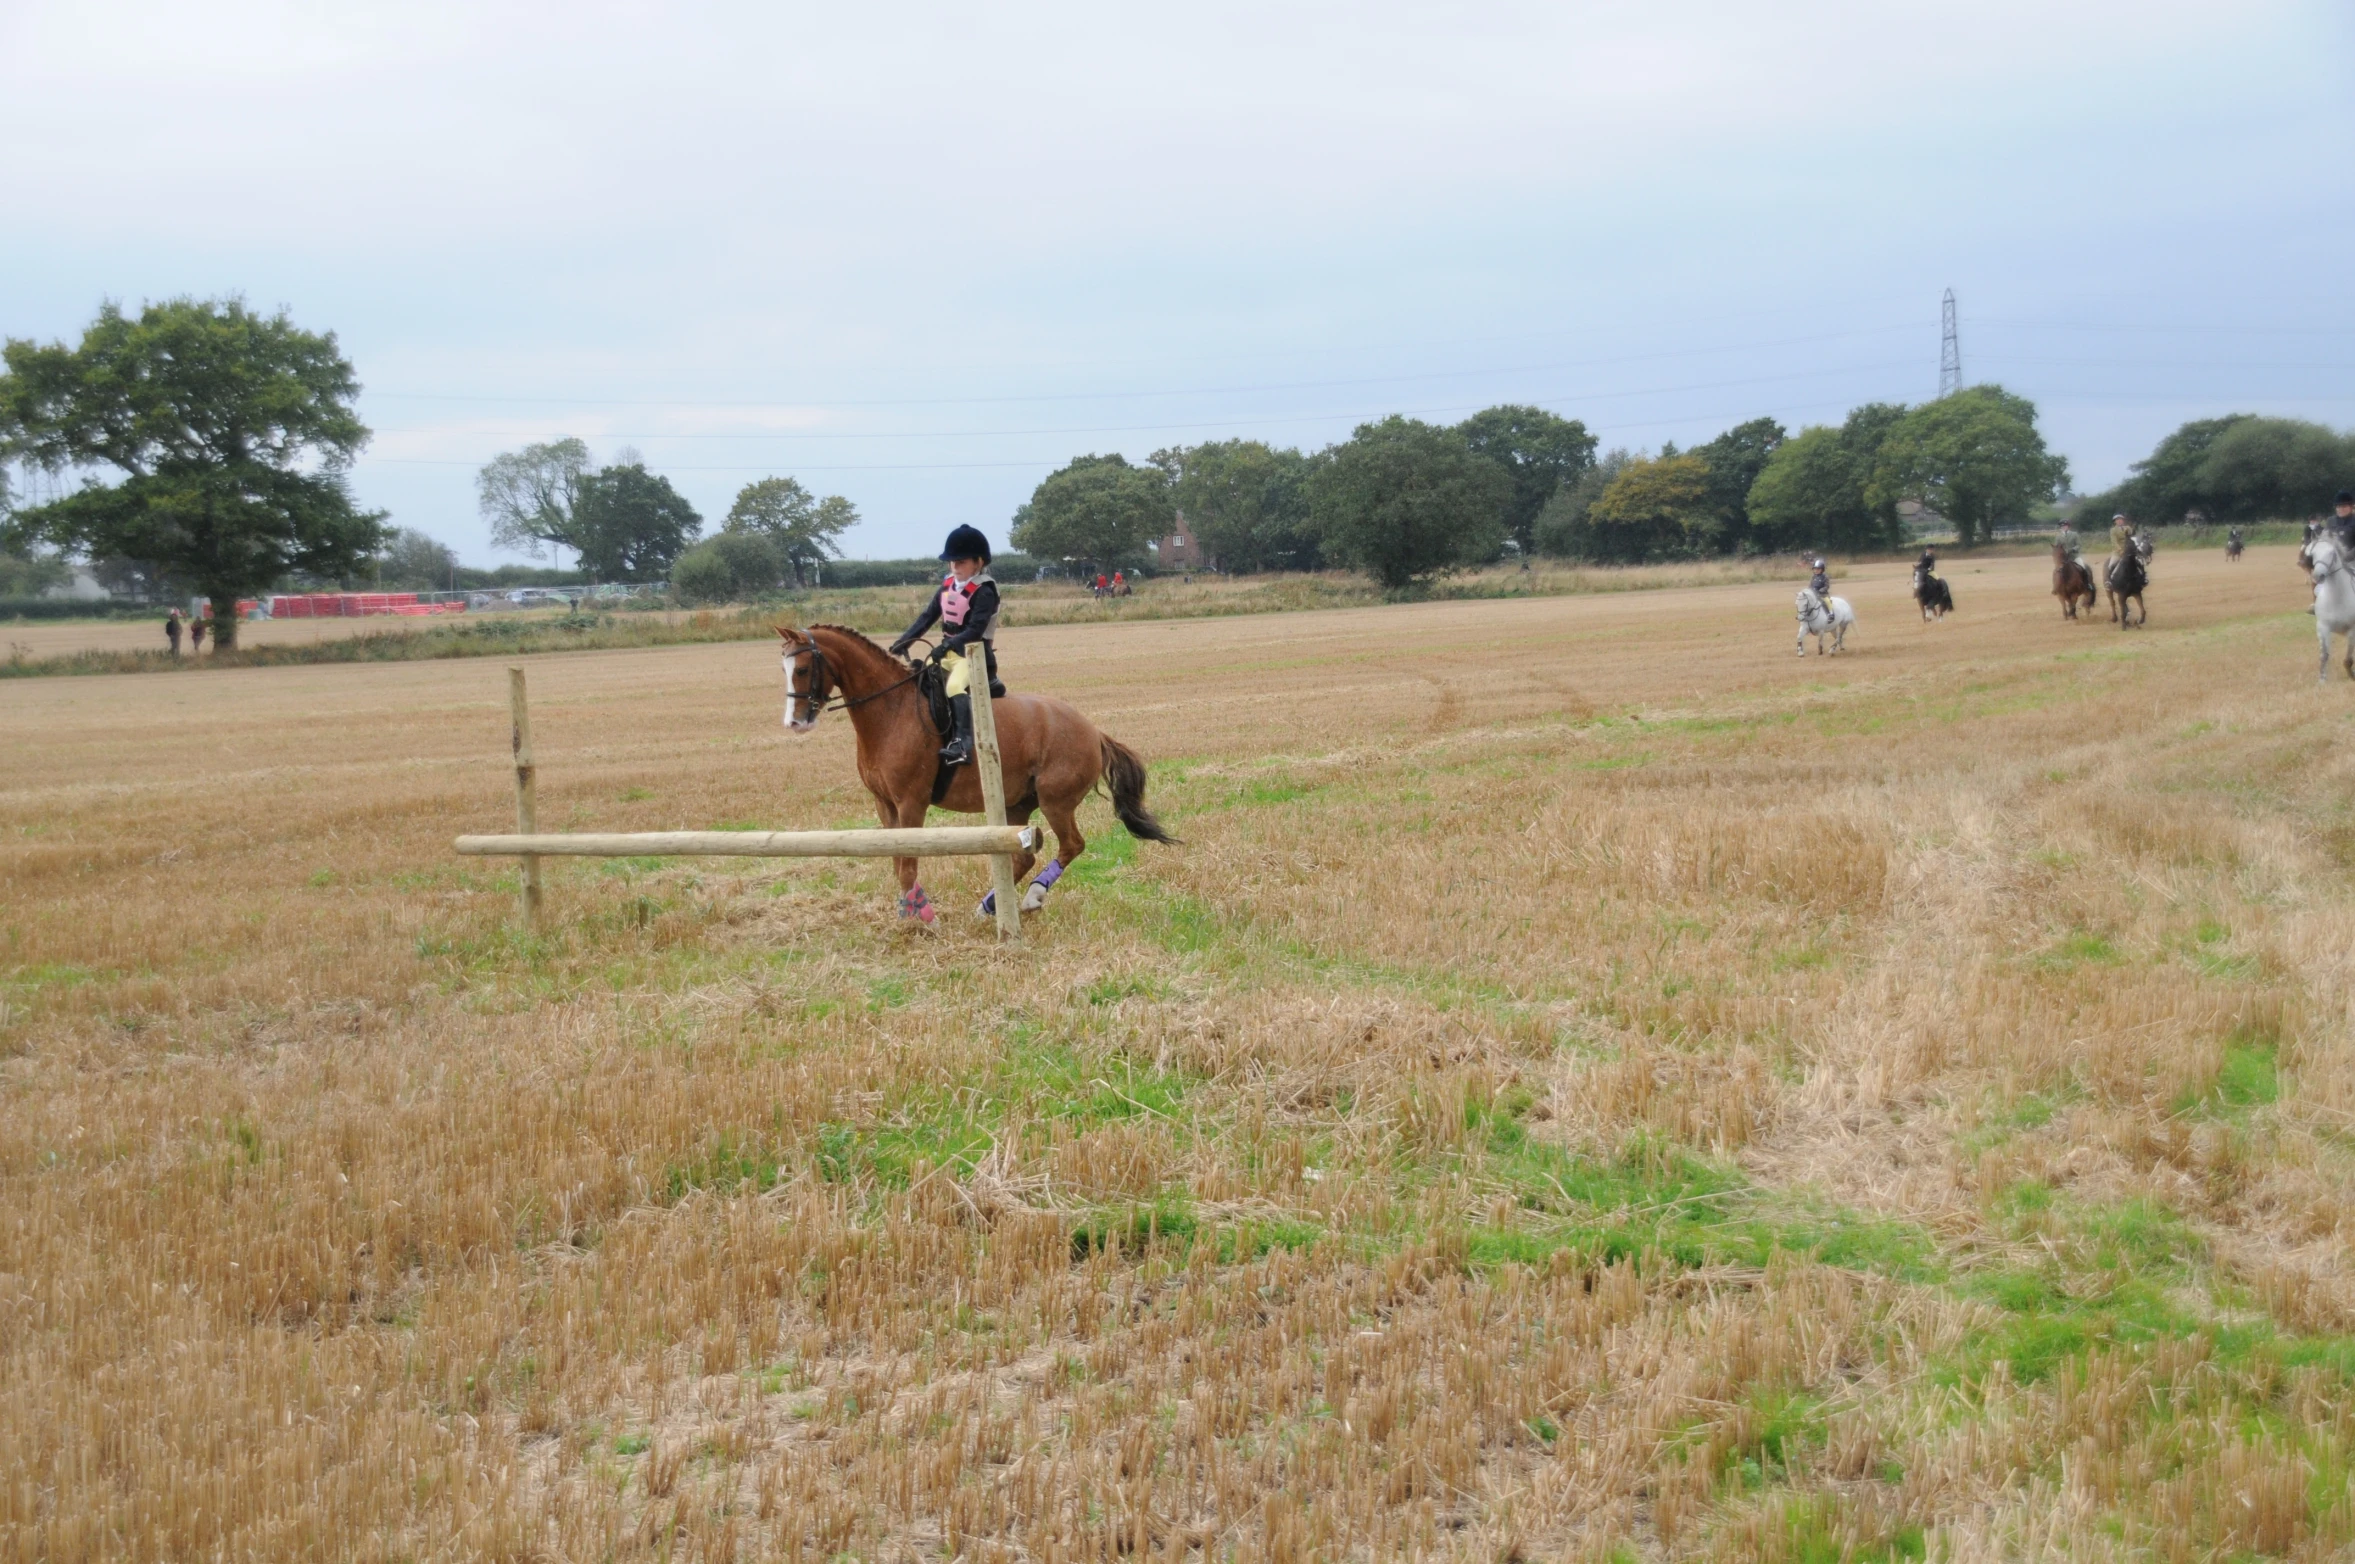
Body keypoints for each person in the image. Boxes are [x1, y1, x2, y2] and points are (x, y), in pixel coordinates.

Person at [887, 524, 1003, 768]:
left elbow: (975, 630)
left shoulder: (985, 591)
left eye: (960, 562)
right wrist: (905, 639)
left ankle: (963, 744)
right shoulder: (948, 585)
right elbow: (927, 616)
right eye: (951, 562)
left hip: (974, 655)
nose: (954, 567)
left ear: (978, 562)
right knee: (918, 681)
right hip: (947, 652)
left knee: (953, 687)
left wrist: (948, 644)